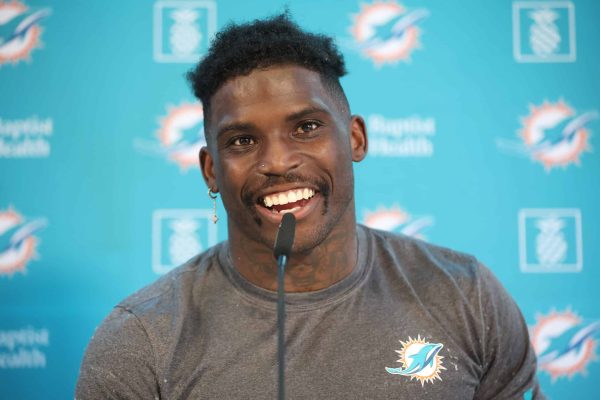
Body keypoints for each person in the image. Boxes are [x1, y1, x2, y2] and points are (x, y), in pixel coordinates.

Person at [76, 14, 543, 399]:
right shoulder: (142, 341)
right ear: (211, 171)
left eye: (306, 128)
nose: (277, 162)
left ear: (355, 138)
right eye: (242, 141)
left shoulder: (465, 296)